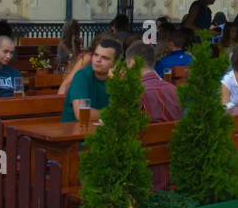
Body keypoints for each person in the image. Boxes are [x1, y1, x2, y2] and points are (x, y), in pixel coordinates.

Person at [125, 40, 184, 191]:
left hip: (144, 176)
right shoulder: (175, 91)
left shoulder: (134, 93)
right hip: (175, 171)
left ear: (132, 63)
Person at [61, 38, 122, 121]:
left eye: (105, 58)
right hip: (74, 130)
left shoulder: (118, 78)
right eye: (96, 55)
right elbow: (81, 113)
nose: (98, 60)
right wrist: (114, 114)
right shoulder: (82, 76)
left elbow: (129, 110)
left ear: (116, 63)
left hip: (103, 129)